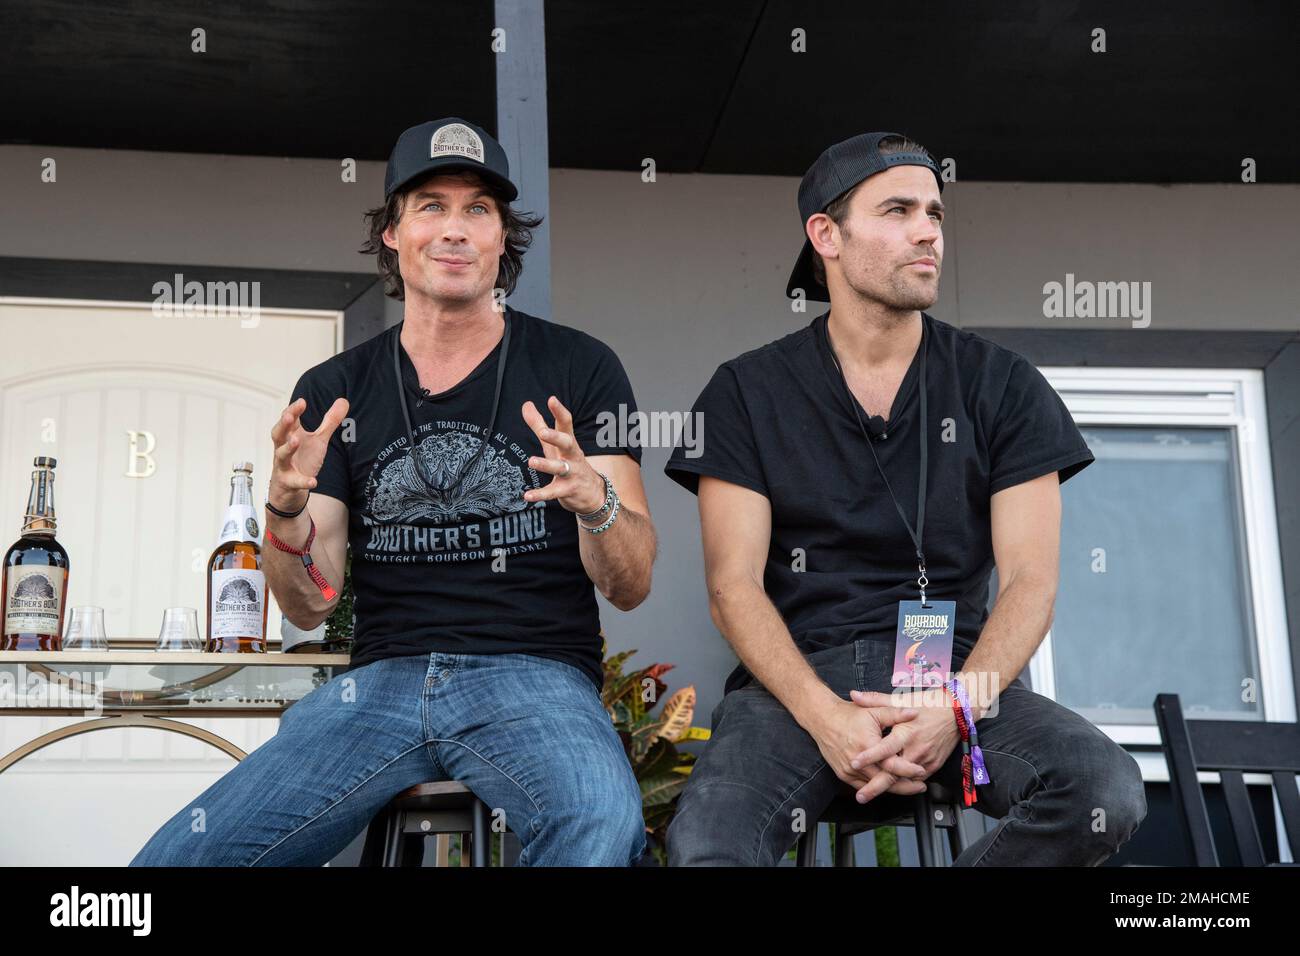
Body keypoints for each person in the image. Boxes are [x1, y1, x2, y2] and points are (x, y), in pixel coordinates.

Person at [131, 117, 656, 867]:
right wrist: (283, 507)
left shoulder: (578, 366)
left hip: (533, 675)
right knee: (173, 864)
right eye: (431, 206)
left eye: (479, 210)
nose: (456, 230)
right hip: (375, 688)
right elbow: (311, 602)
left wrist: (593, 501)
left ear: (503, 237)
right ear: (393, 234)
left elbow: (631, 583)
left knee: (599, 827)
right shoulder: (336, 389)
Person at [662, 131, 1147, 866]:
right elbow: (732, 586)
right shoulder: (744, 392)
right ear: (826, 234)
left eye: (935, 213)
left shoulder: (1002, 382)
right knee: (706, 843)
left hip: (957, 677)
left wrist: (957, 707)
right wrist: (825, 718)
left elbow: (1030, 580)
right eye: (897, 210)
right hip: (799, 682)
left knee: (1101, 791)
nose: (927, 231)